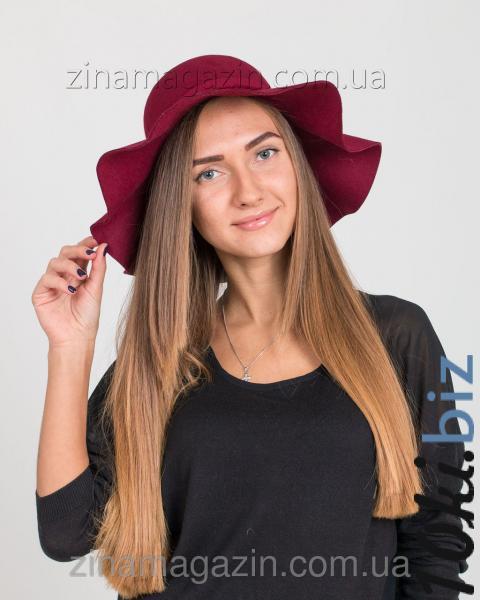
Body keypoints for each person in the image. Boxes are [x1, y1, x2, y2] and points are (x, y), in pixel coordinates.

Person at [32, 55, 469, 599]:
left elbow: (438, 542)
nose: (248, 191)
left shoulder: (401, 335)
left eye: (264, 153)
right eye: (209, 172)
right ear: (180, 204)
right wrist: (69, 346)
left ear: (298, 165)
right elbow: (66, 532)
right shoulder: (157, 365)